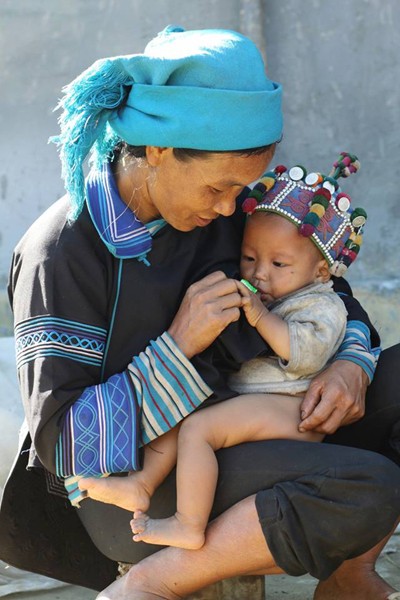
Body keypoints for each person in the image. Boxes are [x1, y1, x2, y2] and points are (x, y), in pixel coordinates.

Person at [0, 25, 399, 600]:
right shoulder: (63, 253)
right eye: (219, 187)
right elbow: (66, 447)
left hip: (257, 425)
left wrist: (351, 365)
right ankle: (149, 583)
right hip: (141, 489)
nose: (232, 206)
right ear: (159, 153)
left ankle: (346, 578)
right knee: (368, 485)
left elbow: (328, 289)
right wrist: (177, 348)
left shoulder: (228, 209)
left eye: (242, 189)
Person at [82, 154, 360, 551]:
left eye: (279, 263)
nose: (259, 273)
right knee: (185, 408)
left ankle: (188, 524)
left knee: (199, 431)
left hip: (293, 405)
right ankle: (142, 484)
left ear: (320, 272)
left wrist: (261, 316)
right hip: (256, 397)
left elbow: (304, 355)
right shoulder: (272, 287)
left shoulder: (323, 305)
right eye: (249, 258)